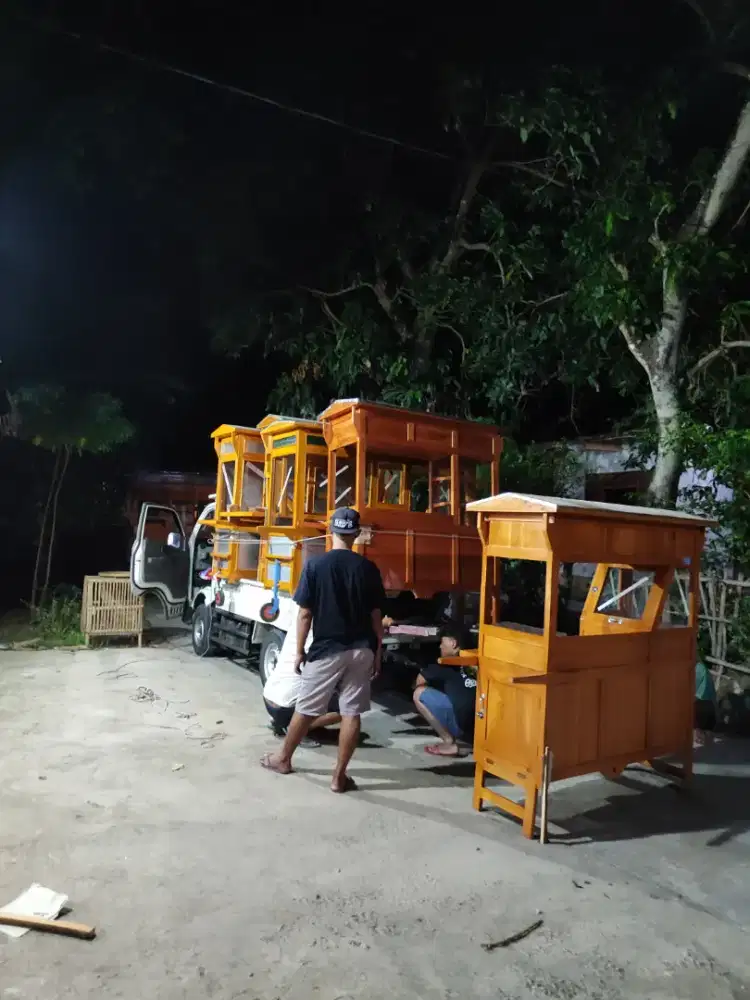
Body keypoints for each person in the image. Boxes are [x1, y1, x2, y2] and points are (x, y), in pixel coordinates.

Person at [260, 506, 386, 793]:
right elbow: (376, 616)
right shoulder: (368, 569)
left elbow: (305, 614)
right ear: (356, 533)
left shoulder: (315, 566)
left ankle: (283, 759)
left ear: (331, 531)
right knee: (351, 713)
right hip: (362, 649)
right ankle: (339, 777)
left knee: (305, 708)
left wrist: (300, 650)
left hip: (328, 649)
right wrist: (377, 652)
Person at [413, 624, 477, 756]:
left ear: (453, 643)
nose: (440, 646)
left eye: (442, 642)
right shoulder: (478, 660)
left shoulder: (446, 664)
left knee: (419, 694)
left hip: (464, 727)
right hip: (482, 726)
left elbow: (419, 682)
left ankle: (449, 743)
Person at [262, 644, 342, 747]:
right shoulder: (322, 645)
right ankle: (297, 730)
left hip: (268, 699)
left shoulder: (294, 638)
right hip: (284, 707)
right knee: (346, 709)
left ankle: (279, 722)